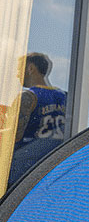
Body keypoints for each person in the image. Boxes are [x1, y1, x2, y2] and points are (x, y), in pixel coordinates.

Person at [8, 52, 68, 188]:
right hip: (53, 166)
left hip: (23, 169)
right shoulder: (66, 97)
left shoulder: (28, 96)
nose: (17, 75)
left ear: (30, 68)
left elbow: (13, 137)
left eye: (19, 69)